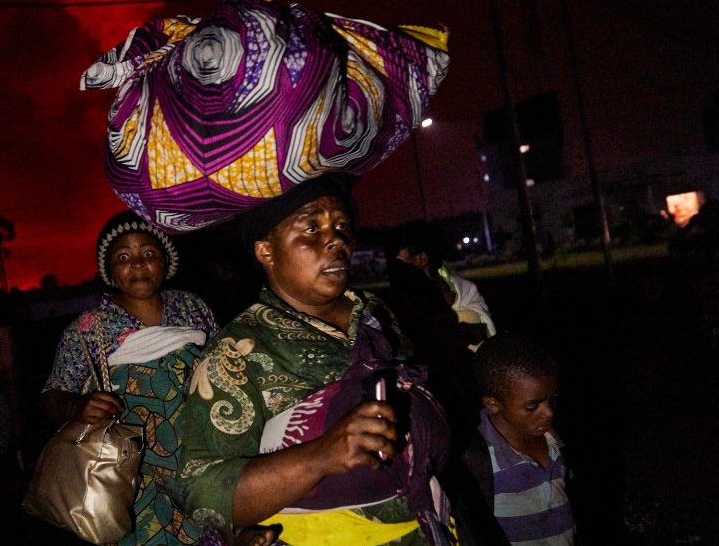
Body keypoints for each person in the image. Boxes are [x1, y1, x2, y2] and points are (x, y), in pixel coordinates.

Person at [179, 177, 454, 546]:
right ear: (266, 251)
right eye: (311, 228)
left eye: (342, 226)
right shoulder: (238, 351)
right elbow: (201, 496)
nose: (336, 240)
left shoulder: (376, 315)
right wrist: (321, 455)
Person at [40, 210, 218, 545]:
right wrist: (77, 405)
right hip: (134, 477)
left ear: (165, 262)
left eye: (148, 254)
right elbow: (52, 393)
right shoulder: (88, 330)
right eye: (123, 257)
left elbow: (224, 372)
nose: (137, 264)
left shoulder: (193, 308)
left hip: (202, 463)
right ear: (110, 272)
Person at [463, 333, 576, 545]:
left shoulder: (554, 439)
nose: (549, 412)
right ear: (493, 403)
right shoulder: (480, 461)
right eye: (532, 406)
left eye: (553, 399)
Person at [389, 220, 496, 342]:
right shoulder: (403, 297)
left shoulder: (465, 289)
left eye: (403, 261)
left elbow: (487, 333)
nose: (398, 267)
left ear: (421, 258)